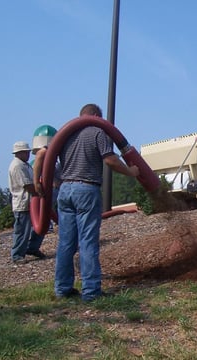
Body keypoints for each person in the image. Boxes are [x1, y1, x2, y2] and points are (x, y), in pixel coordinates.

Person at [55, 104, 139, 301]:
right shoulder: (97, 131)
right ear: (95, 116)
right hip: (86, 188)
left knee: (66, 243)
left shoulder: (65, 133)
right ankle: (91, 292)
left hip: (65, 190)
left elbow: (44, 157)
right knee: (87, 242)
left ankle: (62, 289)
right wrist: (130, 172)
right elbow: (110, 160)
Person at [8, 141, 45, 265]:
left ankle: (32, 248)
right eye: (26, 152)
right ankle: (17, 254)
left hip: (30, 201)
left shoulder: (25, 165)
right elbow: (28, 185)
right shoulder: (17, 166)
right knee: (22, 231)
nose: (28, 154)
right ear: (20, 153)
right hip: (23, 202)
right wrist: (40, 193)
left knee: (41, 226)